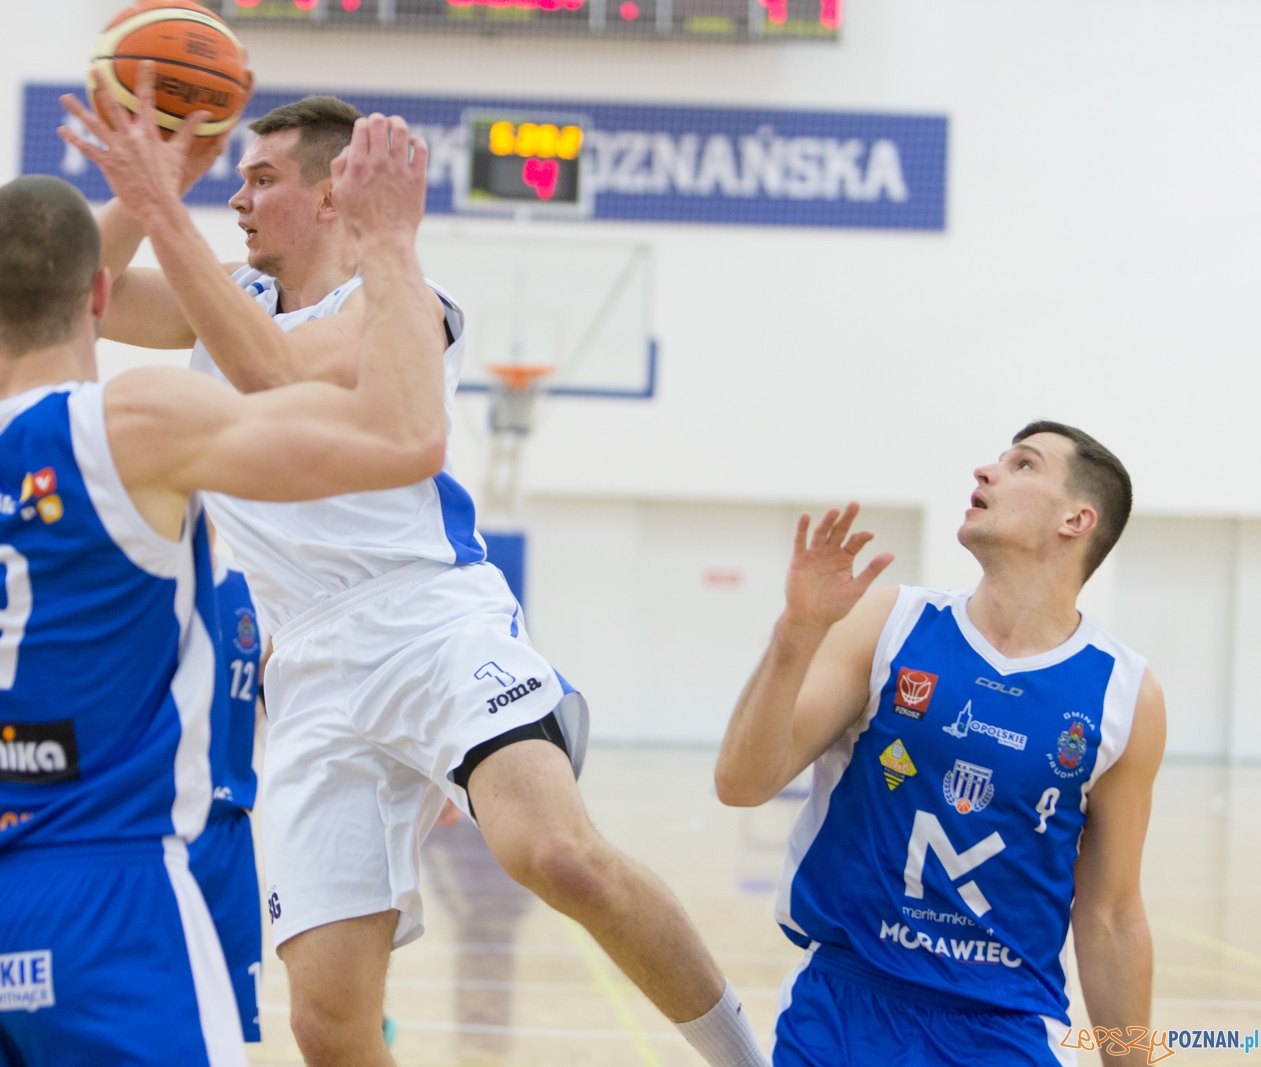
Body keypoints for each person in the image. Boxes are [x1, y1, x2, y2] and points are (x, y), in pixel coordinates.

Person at [62, 92, 769, 1067]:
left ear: (330, 198)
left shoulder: (399, 302)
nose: (239, 200)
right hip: (303, 663)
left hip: (428, 615)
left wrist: (163, 210)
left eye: (260, 179)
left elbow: (273, 373)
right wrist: (154, 189)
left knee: (556, 853)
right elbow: (72, 292)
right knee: (328, 1021)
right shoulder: (221, 297)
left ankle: (748, 1056)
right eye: (235, 182)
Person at [0, 53, 449, 1065]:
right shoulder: (139, 424)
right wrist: (388, 244)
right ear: (97, 292)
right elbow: (403, 439)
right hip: (111, 894)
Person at [714, 424, 1165, 1067]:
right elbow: (742, 784)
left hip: (1004, 1029)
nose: (986, 471)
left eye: (1022, 464)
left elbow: (1113, 916)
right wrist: (796, 634)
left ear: (1077, 519)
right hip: (843, 1010)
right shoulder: (890, 625)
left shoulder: (1125, 695)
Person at [186, 543, 266, 1043]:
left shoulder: (256, 585)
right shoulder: (141, 576)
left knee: (229, 1033)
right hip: (157, 833)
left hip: (230, 832)